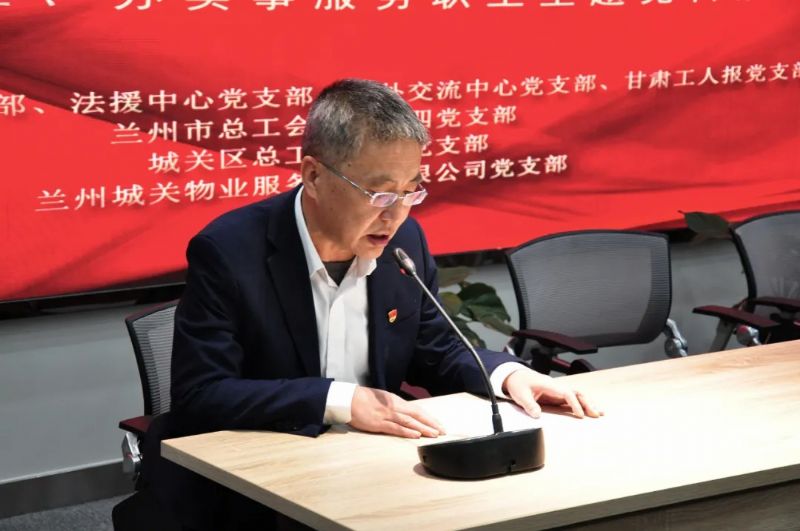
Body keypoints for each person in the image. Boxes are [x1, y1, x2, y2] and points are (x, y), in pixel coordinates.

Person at [153, 79, 601, 530]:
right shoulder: (230, 251)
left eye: (411, 191)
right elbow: (202, 393)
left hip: (367, 468)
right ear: (313, 176)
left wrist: (508, 375)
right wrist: (342, 401)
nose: (396, 214)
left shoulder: (404, 242)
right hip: (256, 485)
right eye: (380, 193)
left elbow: (436, 349)